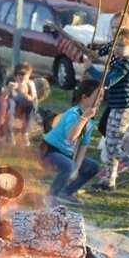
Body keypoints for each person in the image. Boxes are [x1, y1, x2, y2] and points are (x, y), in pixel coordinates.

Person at [85, 27, 129, 195]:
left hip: (124, 110)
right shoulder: (120, 59)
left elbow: (110, 80)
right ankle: (109, 180)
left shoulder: (128, 62)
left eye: (121, 46)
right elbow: (105, 51)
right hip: (117, 108)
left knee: (113, 147)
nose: (117, 48)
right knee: (110, 144)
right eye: (116, 45)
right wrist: (95, 51)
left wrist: (90, 69)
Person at [39, 79, 101, 207]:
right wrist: (84, 118)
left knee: (92, 166)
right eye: (98, 96)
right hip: (48, 151)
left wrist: (77, 167)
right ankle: (50, 196)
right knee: (69, 167)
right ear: (85, 97)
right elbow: (71, 136)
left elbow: (84, 144)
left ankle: (65, 192)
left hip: (66, 156)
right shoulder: (74, 113)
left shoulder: (91, 120)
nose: (101, 100)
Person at [3, 62, 38, 146]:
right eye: (20, 78)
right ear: (15, 76)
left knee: (33, 105)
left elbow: (34, 99)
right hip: (12, 106)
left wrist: (24, 93)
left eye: (25, 79)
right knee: (10, 104)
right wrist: (8, 89)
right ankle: (9, 133)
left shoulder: (30, 84)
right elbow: (3, 97)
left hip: (24, 106)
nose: (22, 81)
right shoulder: (10, 82)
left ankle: (25, 132)